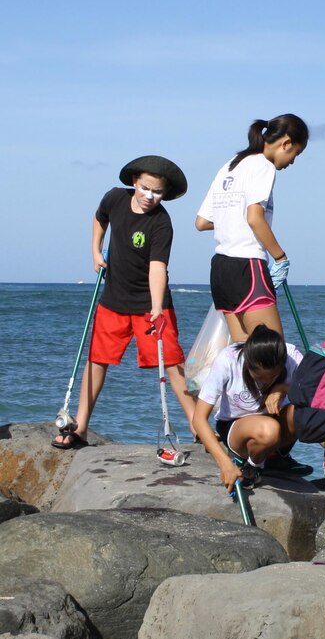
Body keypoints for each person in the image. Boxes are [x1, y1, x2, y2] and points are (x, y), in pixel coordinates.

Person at [53, 156, 195, 449]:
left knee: (172, 362)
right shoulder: (115, 199)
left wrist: (156, 308)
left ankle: (199, 428)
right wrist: (95, 251)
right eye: (145, 188)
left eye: (157, 192)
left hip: (151, 304)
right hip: (114, 300)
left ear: (165, 194)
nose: (149, 196)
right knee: (96, 360)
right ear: (134, 182)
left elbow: (158, 268)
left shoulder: (161, 223)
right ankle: (79, 427)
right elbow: (99, 218)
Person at [194, 114, 308, 343]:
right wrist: (281, 257)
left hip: (221, 270)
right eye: (296, 153)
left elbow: (202, 222)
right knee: (272, 356)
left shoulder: (230, 165)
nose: (293, 161)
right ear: (286, 143)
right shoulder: (263, 166)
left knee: (244, 357)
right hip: (248, 266)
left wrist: (232, 217)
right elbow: (255, 218)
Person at [192, 325, 307, 492]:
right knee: (269, 430)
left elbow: (315, 393)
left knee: (303, 412)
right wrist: (225, 464)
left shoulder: (291, 356)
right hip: (236, 426)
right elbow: (199, 419)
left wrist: (281, 389)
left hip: (274, 421)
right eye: (259, 377)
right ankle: (253, 466)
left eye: (272, 376)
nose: (265, 382)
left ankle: (275, 457)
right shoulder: (229, 359)